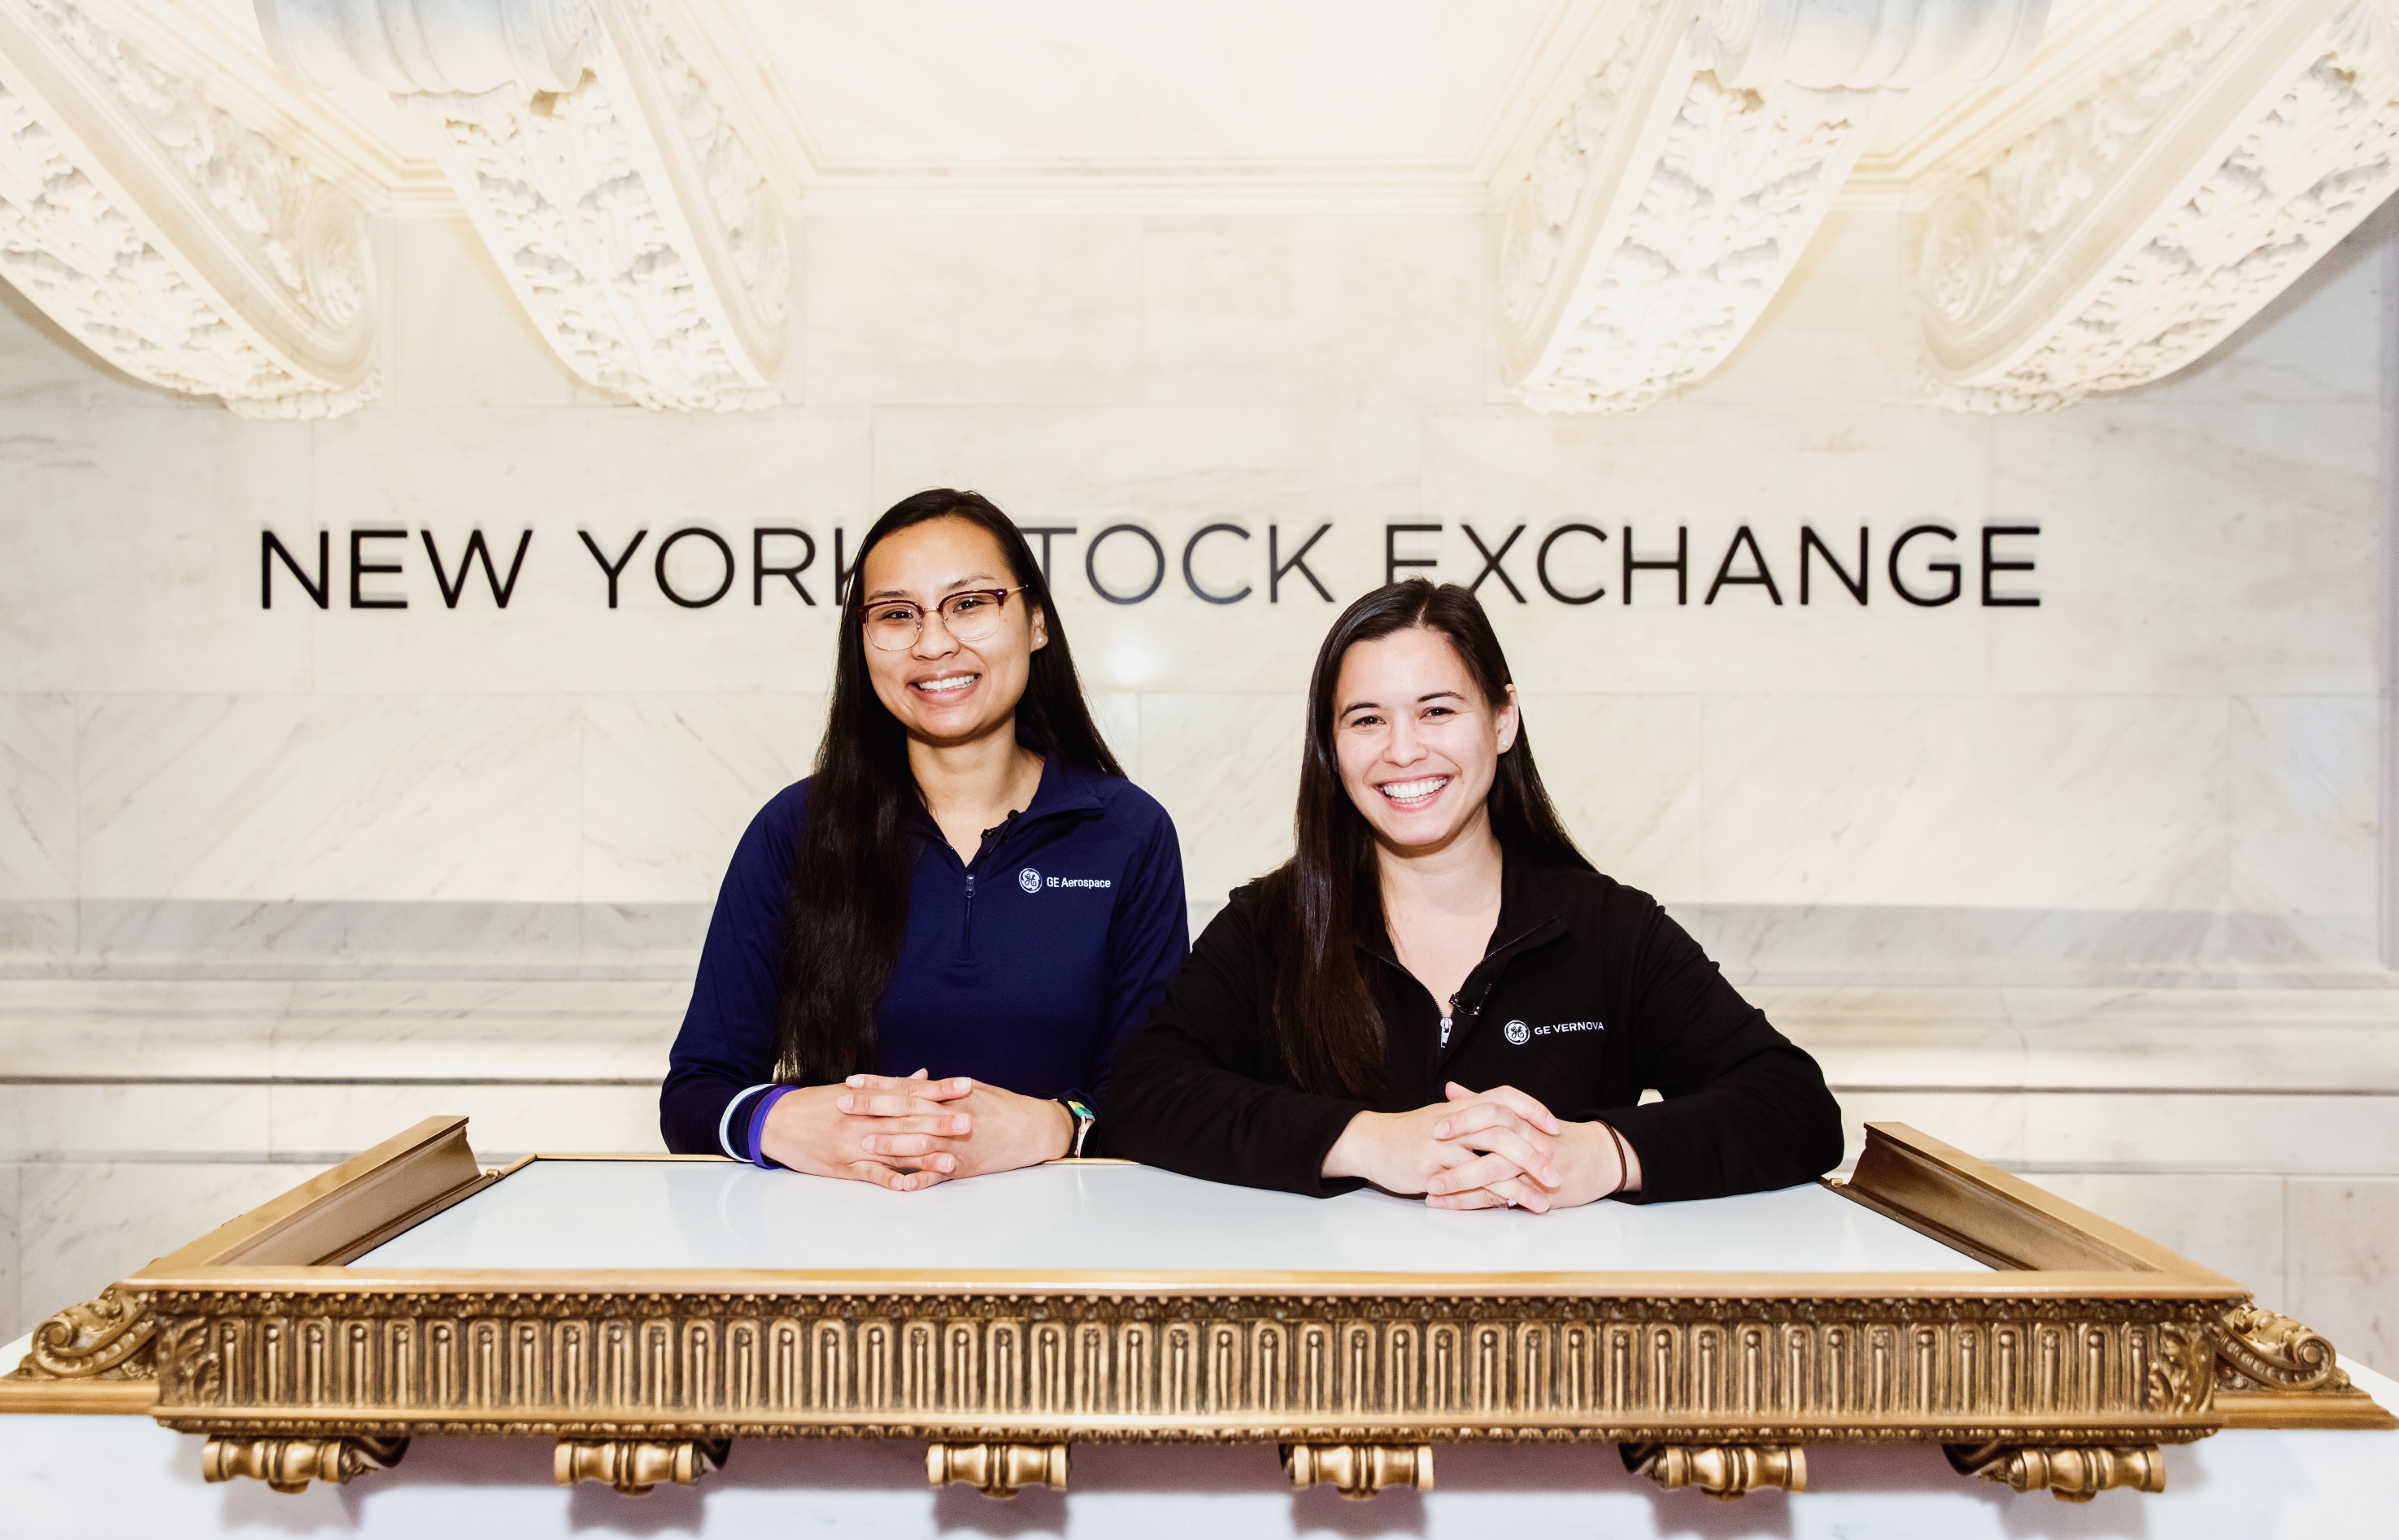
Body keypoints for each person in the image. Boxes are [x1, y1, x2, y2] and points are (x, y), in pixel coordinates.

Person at [1108, 580, 1842, 1210]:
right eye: (1367, 720)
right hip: (1324, 1340)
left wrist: (1601, 1154)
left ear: (1502, 719)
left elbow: (1796, 1107)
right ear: (1332, 750)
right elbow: (1142, 1095)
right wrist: (1368, 1139)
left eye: (1437, 711)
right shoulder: (1270, 924)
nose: (1403, 751)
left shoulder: (1609, 928)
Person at [661, 489, 1187, 1189]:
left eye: (970, 603)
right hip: (837, 1251)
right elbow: (695, 1095)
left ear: (1034, 622)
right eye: (897, 614)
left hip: (1064, 1259)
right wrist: (786, 1121)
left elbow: (1158, 1097)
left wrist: (1055, 1125)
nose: (934, 643)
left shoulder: (1127, 832)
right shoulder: (796, 831)